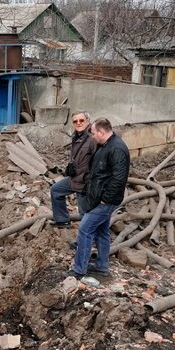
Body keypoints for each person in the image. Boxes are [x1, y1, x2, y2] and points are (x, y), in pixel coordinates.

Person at [72, 117, 130, 280]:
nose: (92, 136)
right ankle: (101, 267)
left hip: (107, 201)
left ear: (102, 132)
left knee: (85, 229)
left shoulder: (117, 149)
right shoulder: (104, 145)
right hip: (99, 198)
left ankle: (79, 270)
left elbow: (119, 179)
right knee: (101, 231)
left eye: (93, 133)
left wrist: (105, 199)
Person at [50, 111, 96, 227]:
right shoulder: (76, 136)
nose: (78, 123)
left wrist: (90, 180)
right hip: (74, 178)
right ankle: (62, 220)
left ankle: (86, 242)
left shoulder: (93, 138)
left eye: (81, 120)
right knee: (56, 190)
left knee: (85, 214)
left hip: (85, 183)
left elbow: (98, 162)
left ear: (87, 121)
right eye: (75, 121)